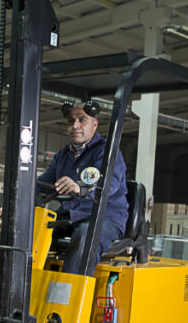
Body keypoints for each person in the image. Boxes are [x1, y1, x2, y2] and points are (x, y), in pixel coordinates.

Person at [38, 101, 129, 275]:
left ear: (94, 124)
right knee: (30, 229)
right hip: (72, 216)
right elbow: (41, 185)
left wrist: (80, 187)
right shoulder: (62, 156)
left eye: (82, 120)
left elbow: (109, 184)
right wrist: (14, 205)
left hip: (104, 218)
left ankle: (68, 297)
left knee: (85, 237)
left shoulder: (107, 151)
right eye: (71, 121)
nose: (75, 126)